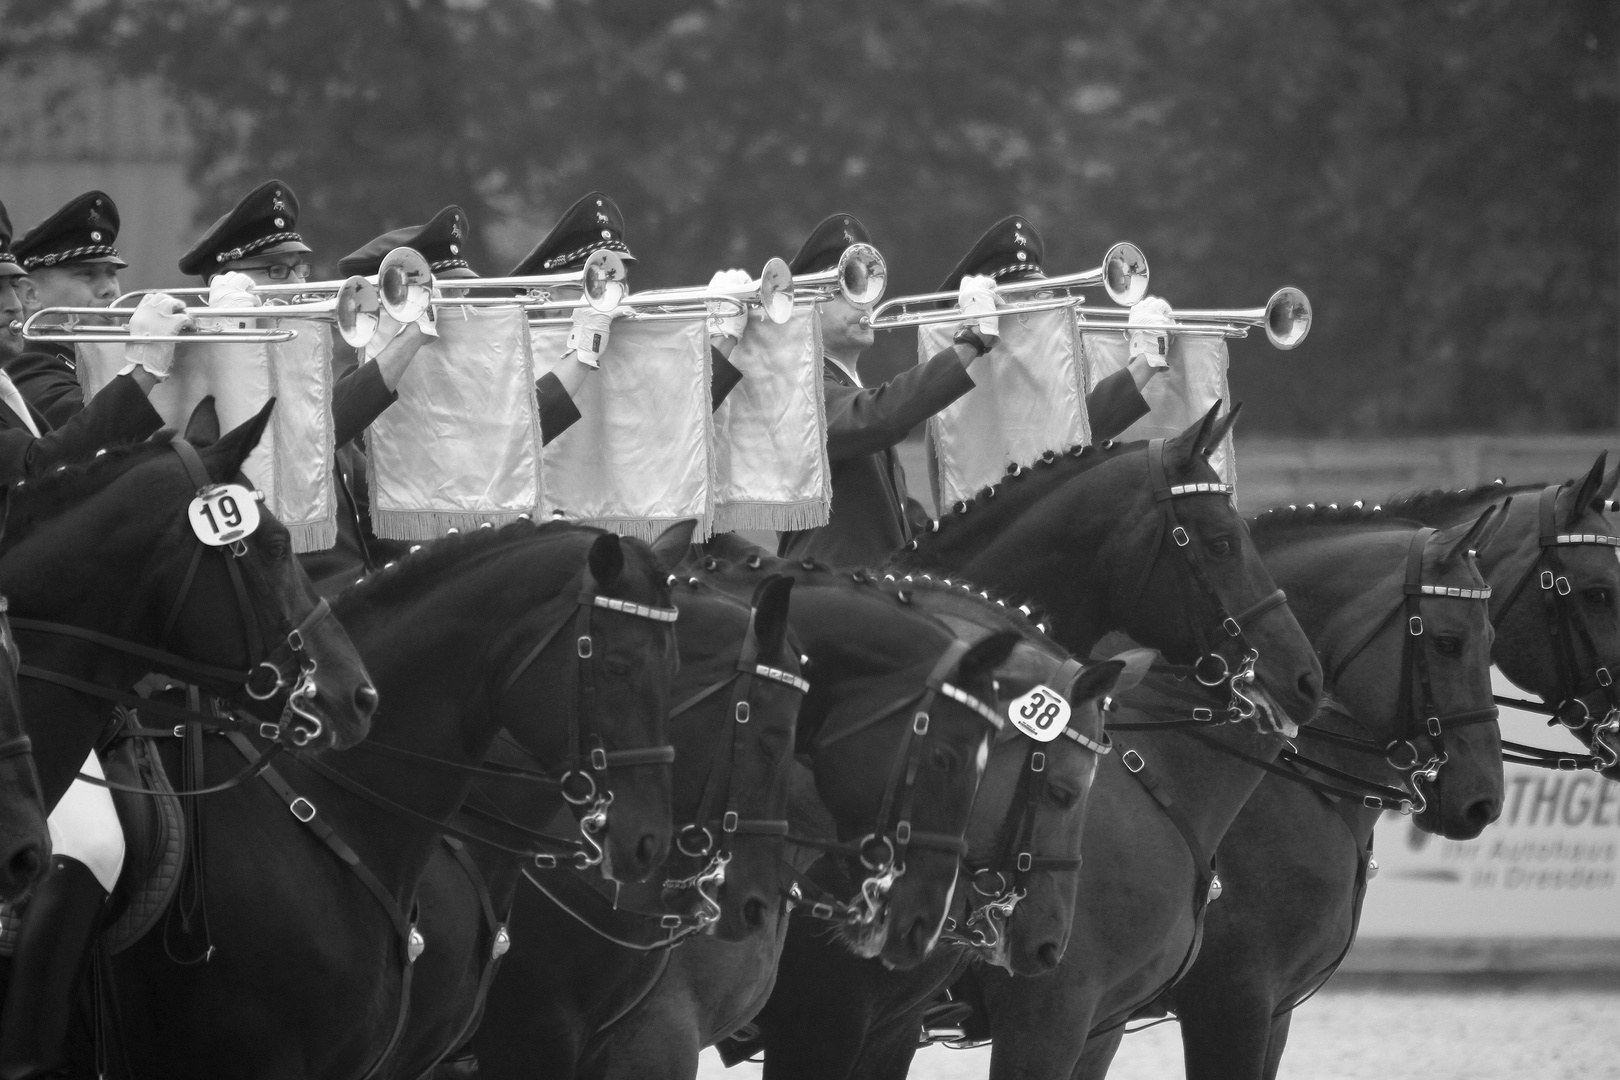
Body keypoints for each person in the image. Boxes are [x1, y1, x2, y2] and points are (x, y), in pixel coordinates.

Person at [0, 201, 193, 1080]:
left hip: (31, 646)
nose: (9, 293)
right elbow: (49, 479)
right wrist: (147, 369)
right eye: (3, 279)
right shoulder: (34, 373)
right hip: (24, 646)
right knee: (93, 843)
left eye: (10, 275)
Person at [776, 213, 1002, 568]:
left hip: (863, 597)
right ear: (804, 308)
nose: (864, 301)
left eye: (864, 285)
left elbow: (906, 528)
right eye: (844, 289)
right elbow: (877, 417)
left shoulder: (846, 387)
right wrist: (968, 341)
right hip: (822, 599)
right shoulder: (796, 385)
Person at [509, 191, 745, 445]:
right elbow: (515, 444)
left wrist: (723, 335)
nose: (613, 290)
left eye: (616, 276)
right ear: (550, 296)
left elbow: (674, 435)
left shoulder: (631, 348)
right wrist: (583, 348)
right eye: (596, 278)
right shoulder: (514, 360)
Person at [936, 214, 1168, 442]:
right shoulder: (985, 369)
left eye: (1038, 293)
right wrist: (1145, 362)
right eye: (1021, 296)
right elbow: (1072, 436)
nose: (1036, 304)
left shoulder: (1040, 356)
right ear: (984, 306)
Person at [5, 191, 127, 425]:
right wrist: (146, 370)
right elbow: (90, 436)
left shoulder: (86, 359)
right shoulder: (27, 366)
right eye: (87, 274)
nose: (109, 290)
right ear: (31, 294)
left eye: (111, 274)